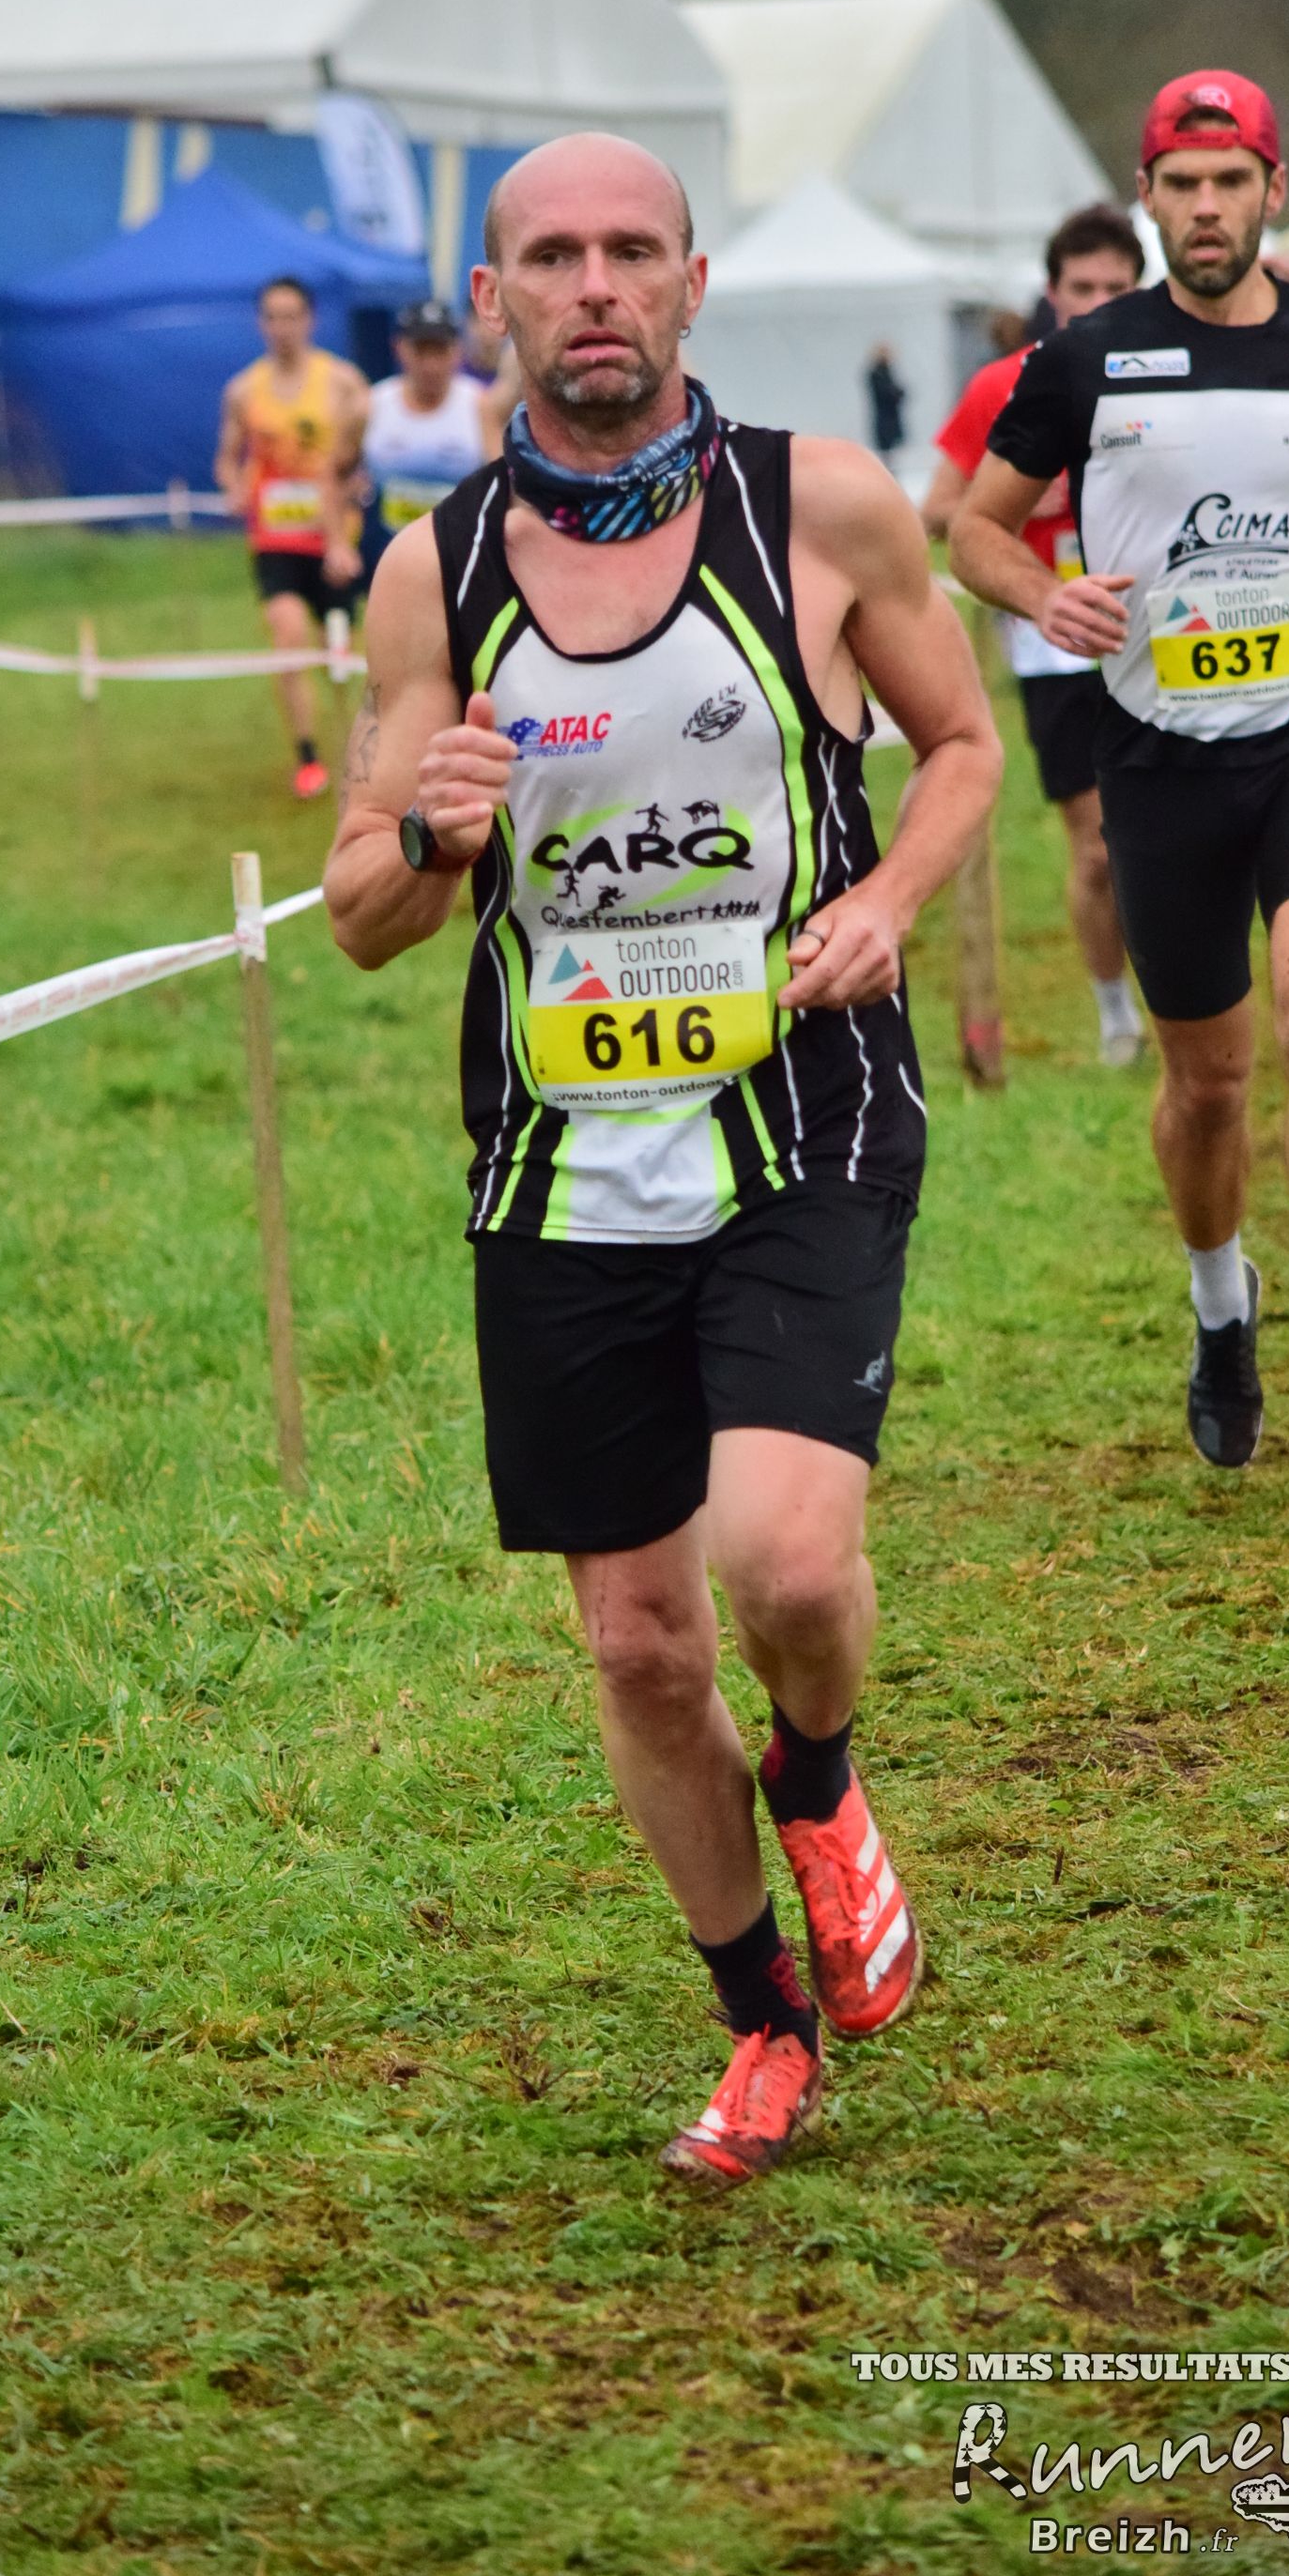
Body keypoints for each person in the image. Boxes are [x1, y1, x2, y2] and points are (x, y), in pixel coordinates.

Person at [325, 131, 1001, 2186]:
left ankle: (820, 1774)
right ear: (494, 300)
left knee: (781, 1557)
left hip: (804, 1112)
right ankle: (759, 2018)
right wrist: (428, 830)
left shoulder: (823, 506)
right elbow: (361, 912)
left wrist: (886, 897)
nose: (596, 284)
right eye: (554, 255)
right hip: (559, 1159)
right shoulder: (433, 572)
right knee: (633, 1639)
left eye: (633, 249)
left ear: (694, 284)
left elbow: (964, 745)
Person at [951, 69, 1289, 1493]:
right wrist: (1043, 594)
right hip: (1155, 752)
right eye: (1179, 185)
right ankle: (1219, 1309)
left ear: (1268, 189)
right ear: (1147, 196)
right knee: (1205, 1085)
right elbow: (975, 527)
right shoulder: (1085, 358)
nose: (1204, 208)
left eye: (1228, 182)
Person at [924, 203, 1148, 1064]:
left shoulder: (1166, 375)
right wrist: (1023, 500)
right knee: (1098, 851)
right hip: (1054, 644)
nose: (1096, 304)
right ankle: (1115, 1011)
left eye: (1116, 289)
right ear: (1052, 294)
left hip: (1163, 632)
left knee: (1169, 839)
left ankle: (1186, 996)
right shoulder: (1004, 386)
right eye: (1081, 288)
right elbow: (939, 510)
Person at [216, 275, 368, 800]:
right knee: (288, 637)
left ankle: (360, 752)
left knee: (340, 656)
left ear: (310, 320)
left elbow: (364, 453)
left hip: (335, 539)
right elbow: (226, 459)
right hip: (275, 538)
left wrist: (357, 481)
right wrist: (235, 488)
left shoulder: (343, 382)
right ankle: (307, 756)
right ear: (261, 323)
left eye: (291, 316)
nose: (282, 327)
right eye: (273, 317)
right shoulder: (243, 391)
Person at [357, 299, 505, 576]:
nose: (430, 364)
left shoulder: (478, 405)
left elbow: (501, 481)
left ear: (457, 351)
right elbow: (335, 473)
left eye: (440, 351)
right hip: (385, 554)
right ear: (399, 348)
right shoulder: (372, 405)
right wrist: (339, 544)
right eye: (421, 351)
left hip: (458, 554)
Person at [866, 344, 907, 462]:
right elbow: (887, 393)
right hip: (885, 417)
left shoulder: (885, 372)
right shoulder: (877, 374)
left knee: (890, 451)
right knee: (886, 450)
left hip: (889, 417)